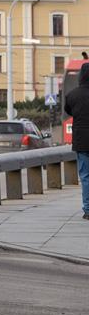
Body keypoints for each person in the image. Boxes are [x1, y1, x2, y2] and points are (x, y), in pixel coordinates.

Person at [64, 62, 89, 220]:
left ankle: (88, 209)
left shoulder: (72, 95)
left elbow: (68, 111)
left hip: (81, 141)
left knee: (86, 176)